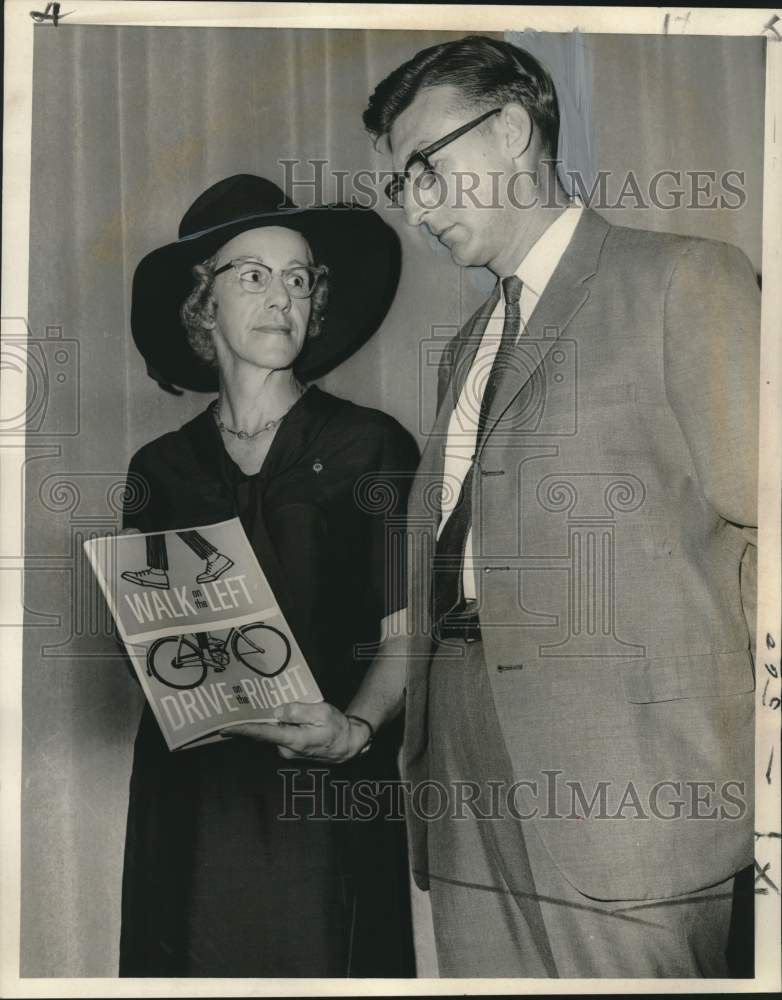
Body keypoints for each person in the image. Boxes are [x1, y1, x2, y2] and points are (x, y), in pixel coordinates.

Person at [255, 37, 760, 978]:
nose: (414, 207)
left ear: (515, 130)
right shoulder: (467, 347)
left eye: (427, 169)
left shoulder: (683, 279)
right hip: (464, 771)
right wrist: (369, 727)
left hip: (631, 786)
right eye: (402, 185)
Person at [118, 174, 418, 977]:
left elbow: (408, 630)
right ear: (201, 304)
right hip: (195, 798)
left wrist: (353, 729)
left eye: (298, 277)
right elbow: (155, 651)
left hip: (329, 790)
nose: (281, 295)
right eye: (252, 274)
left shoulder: (372, 446)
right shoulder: (160, 468)